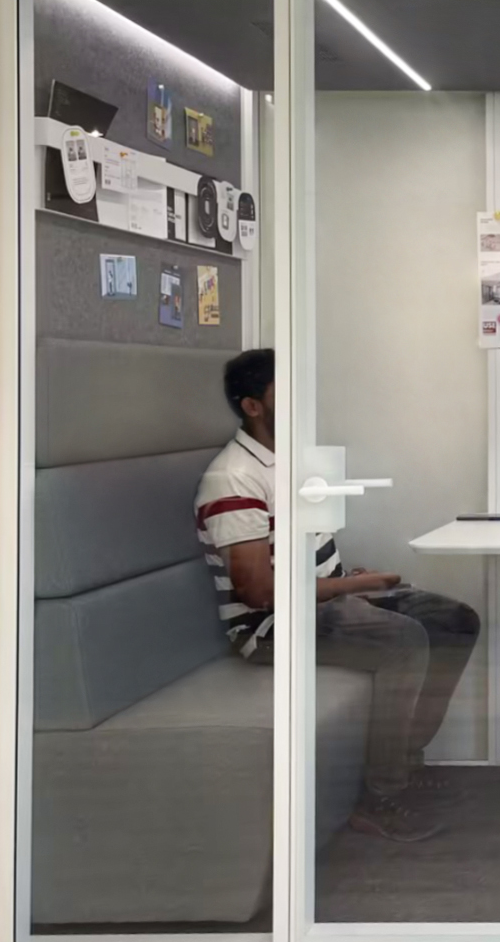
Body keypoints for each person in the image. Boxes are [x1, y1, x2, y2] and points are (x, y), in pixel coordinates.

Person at [195, 349, 480, 844]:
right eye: (285, 393)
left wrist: (347, 580)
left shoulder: (289, 462)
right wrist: (355, 588)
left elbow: (305, 552)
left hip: (323, 602)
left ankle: (405, 759)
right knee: (404, 641)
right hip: (270, 627)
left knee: (456, 621)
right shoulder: (233, 478)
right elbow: (258, 592)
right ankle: (381, 798)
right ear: (252, 407)